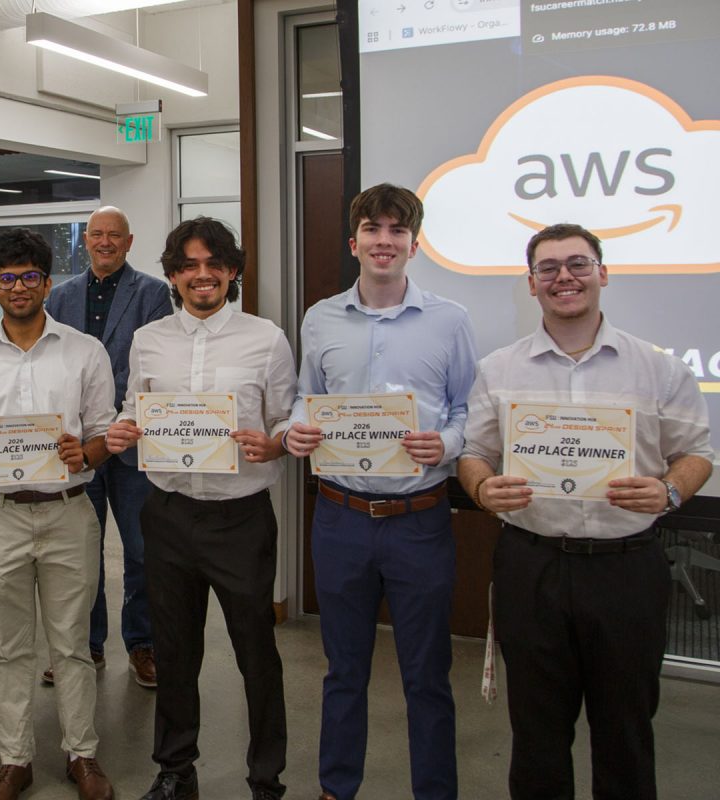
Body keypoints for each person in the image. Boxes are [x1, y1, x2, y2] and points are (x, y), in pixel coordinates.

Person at [457, 223, 713, 800]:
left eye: (577, 264)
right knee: (537, 734)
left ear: (602, 273)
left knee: (624, 730)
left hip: (626, 569)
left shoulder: (657, 367)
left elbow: (696, 453)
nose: (563, 277)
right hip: (532, 567)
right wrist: (480, 489)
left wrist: (669, 492)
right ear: (531, 284)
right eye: (548, 268)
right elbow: (475, 454)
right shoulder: (499, 369)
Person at [284, 184, 476, 800]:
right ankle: (337, 789)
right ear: (354, 242)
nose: (383, 241)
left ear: (413, 245)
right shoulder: (320, 318)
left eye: (396, 231)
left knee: (426, 674)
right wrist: (294, 431)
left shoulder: (450, 319)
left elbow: (473, 410)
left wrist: (445, 445)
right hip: (341, 518)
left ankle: (435, 792)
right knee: (343, 670)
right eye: (372, 229)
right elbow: (300, 401)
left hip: (419, 519)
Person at [106, 217, 296, 800]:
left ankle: (266, 780)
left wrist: (278, 440)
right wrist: (120, 430)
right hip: (167, 513)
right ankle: (175, 770)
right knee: (174, 651)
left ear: (232, 271)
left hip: (240, 517)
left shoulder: (267, 338)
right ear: (172, 275)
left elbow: (286, 416)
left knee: (256, 654)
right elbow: (132, 409)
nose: (202, 275)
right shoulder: (150, 339)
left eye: (214, 264)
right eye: (188, 265)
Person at [0, 228, 116, 800]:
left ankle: (82, 754)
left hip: (70, 512)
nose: (19, 287)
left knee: (70, 645)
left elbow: (104, 432)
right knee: (11, 646)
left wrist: (86, 451)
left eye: (30, 276)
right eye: (8, 278)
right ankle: (15, 759)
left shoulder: (83, 351)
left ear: (47, 282)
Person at [46, 205, 172, 687]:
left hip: (134, 440)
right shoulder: (60, 297)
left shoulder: (154, 294)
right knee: (81, 550)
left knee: (141, 550)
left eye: (113, 235)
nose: (104, 242)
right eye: (96, 234)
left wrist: (116, 415)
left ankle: (142, 645)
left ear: (129, 241)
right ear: (86, 242)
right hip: (75, 442)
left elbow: (154, 361)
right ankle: (86, 645)